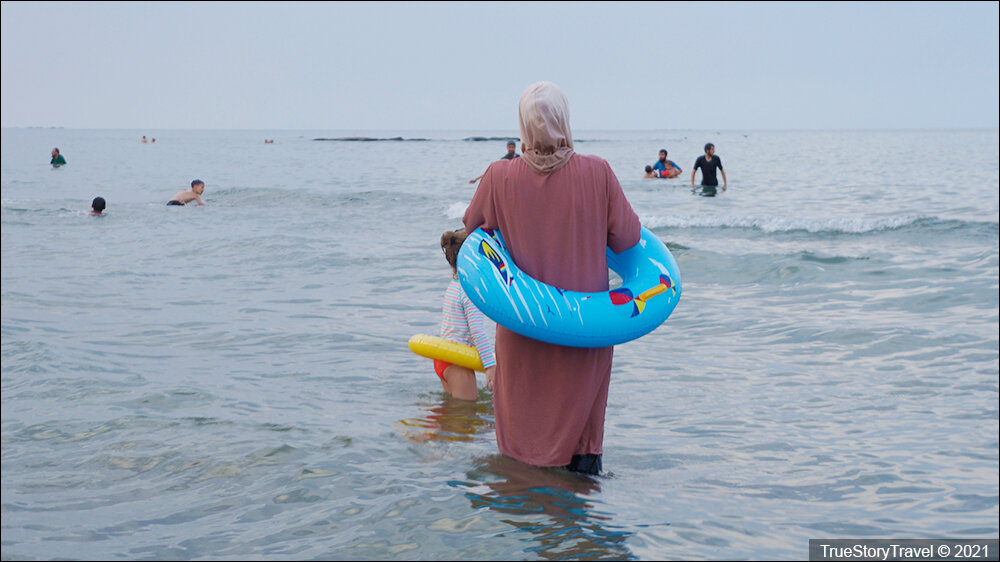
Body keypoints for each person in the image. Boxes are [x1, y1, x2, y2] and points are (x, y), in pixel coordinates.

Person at [463, 81, 641, 475]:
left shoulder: (497, 177)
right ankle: (578, 533)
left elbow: (470, 233)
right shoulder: (599, 173)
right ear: (565, 120)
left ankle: (531, 527)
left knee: (521, 463)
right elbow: (628, 238)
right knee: (582, 462)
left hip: (523, 334)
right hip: (586, 335)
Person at [436, 228, 497, 400]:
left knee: (452, 415)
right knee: (466, 418)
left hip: (443, 358)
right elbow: (477, 331)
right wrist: (490, 366)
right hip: (457, 363)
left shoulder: (454, 285)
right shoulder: (470, 291)